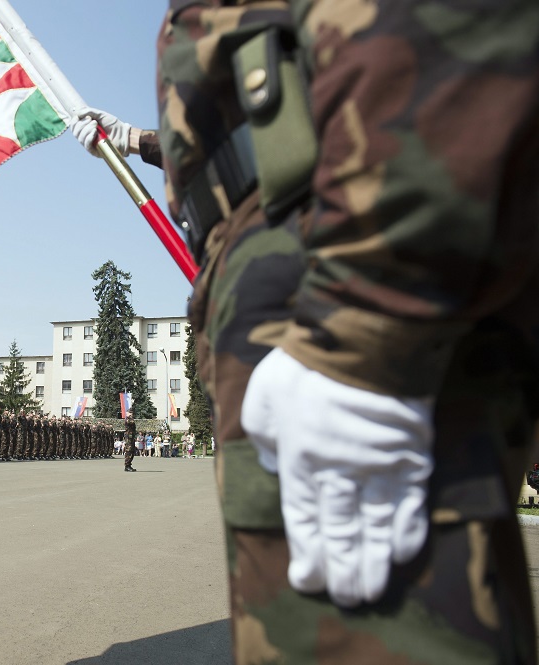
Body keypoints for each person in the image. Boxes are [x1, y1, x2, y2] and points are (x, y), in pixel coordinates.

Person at [71, 1, 539, 661]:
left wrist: (365, 324)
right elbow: (255, 122)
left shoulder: (355, 309)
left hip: (344, 268)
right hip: (299, 267)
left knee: (377, 632)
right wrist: (134, 141)